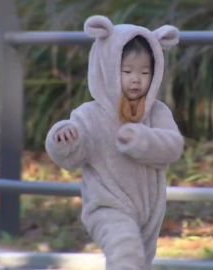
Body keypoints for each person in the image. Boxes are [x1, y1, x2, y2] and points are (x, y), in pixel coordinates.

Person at [45, 15, 184, 270]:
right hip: (107, 205)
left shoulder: (157, 113)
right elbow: (71, 157)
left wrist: (143, 140)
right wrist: (63, 139)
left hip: (149, 209)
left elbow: (172, 147)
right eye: (127, 71)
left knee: (141, 261)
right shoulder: (89, 115)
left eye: (144, 72)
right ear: (106, 68)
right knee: (125, 253)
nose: (136, 79)